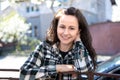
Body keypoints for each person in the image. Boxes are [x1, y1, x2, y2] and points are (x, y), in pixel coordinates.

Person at [19, 7, 97, 80]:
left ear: (78, 31)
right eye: (62, 27)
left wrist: (78, 41)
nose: (66, 33)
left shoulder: (81, 50)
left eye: (72, 28)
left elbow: (85, 71)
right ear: (56, 27)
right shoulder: (44, 48)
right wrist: (58, 68)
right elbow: (23, 74)